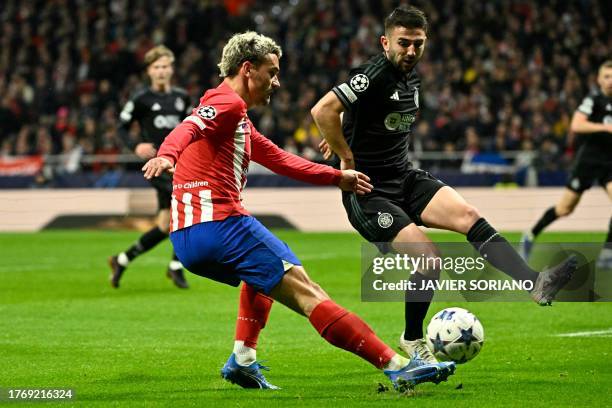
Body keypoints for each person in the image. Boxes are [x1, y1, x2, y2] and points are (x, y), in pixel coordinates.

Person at [142, 31, 455, 391]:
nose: (276, 82)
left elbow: (280, 159)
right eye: (271, 72)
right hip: (222, 225)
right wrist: (166, 154)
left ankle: (243, 358)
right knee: (309, 292)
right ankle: (397, 365)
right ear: (248, 69)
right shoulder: (226, 104)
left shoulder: (236, 119)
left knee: (259, 277)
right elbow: (189, 126)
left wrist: (338, 177)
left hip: (186, 239)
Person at [310, 6, 577, 365]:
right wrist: (346, 157)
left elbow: (348, 113)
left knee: (468, 215)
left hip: (404, 176)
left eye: (417, 44)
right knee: (430, 260)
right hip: (368, 190)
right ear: (385, 42)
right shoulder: (373, 73)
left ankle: (534, 283)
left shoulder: (411, 78)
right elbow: (322, 110)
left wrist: (342, 129)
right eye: (403, 43)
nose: (410, 51)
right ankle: (413, 340)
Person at [109, 45, 191, 289]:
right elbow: (121, 127)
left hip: (179, 164)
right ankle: (176, 266)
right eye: (157, 67)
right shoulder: (141, 99)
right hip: (157, 166)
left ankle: (121, 260)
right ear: (149, 71)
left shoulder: (181, 98)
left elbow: (192, 127)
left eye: (165, 66)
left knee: (165, 225)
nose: (162, 71)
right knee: (188, 204)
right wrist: (136, 146)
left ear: (172, 69)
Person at [520, 60, 612, 268]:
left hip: (610, 163)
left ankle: (607, 252)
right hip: (589, 161)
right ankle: (530, 235)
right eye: (606, 76)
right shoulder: (593, 99)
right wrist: (605, 129)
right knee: (565, 209)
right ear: (598, 80)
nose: (610, 81)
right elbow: (576, 124)